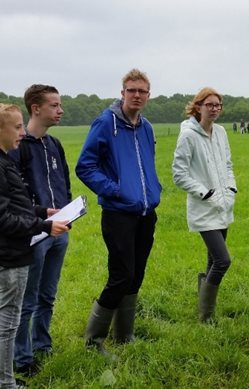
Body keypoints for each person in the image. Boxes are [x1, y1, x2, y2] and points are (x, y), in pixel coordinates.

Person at [0, 103, 68, 389]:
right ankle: (5, 384)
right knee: (8, 323)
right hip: (11, 254)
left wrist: (42, 212)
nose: (21, 132)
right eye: (16, 127)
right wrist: (43, 227)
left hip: (15, 250)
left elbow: (17, 204)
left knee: (1, 318)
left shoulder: (1, 160)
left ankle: (0, 375)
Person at [75, 68, 162, 355]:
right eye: (131, 90)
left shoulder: (146, 127)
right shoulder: (105, 123)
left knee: (136, 274)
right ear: (122, 92)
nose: (136, 95)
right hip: (118, 213)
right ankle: (94, 340)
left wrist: (153, 189)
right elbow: (85, 166)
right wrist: (114, 189)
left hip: (146, 211)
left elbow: (146, 163)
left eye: (142, 91)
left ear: (148, 95)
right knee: (121, 274)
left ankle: (125, 335)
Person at [9, 85, 72, 377]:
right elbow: (15, 194)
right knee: (28, 299)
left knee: (48, 294)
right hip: (34, 234)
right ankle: (22, 358)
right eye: (54, 105)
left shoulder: (54, 144)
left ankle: (43, 345)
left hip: (61, 230)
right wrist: (36, 221)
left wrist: (68, 212)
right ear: (36, 108)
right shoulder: (19, 147)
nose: (60, 110)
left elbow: (64, 182)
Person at [172, 87, 237, 322]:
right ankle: (205, 314)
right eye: (209, 104)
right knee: (223, 260)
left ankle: (205, 312)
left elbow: (228, 164)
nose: (214, 109)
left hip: (224, 205)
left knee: (212, 260)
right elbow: (179, 174)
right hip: (204, 207)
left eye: (218, 105)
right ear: (198, 107)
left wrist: (230, 189)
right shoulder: (188, 135)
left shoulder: (220, 132)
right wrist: (206, 193)